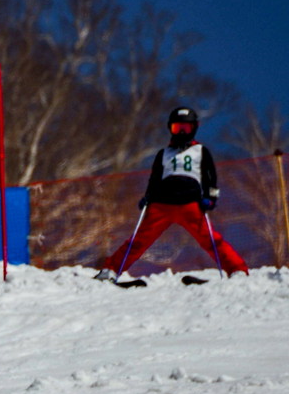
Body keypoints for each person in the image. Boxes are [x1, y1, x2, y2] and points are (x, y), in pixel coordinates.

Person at [98, 106, 249, 280]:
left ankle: (237, 269)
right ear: (171, 128)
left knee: (210, 239)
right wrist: (148, 197)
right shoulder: (164, 153)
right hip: (162, 204)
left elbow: (210, 177)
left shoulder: (200, 151)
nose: (182, 132)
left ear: (194, 128)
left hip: (190, 204)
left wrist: (210, 197)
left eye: (187, 128)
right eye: (178, 128)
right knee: (139, 240)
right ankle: (110, 270)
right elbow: (155, 179)